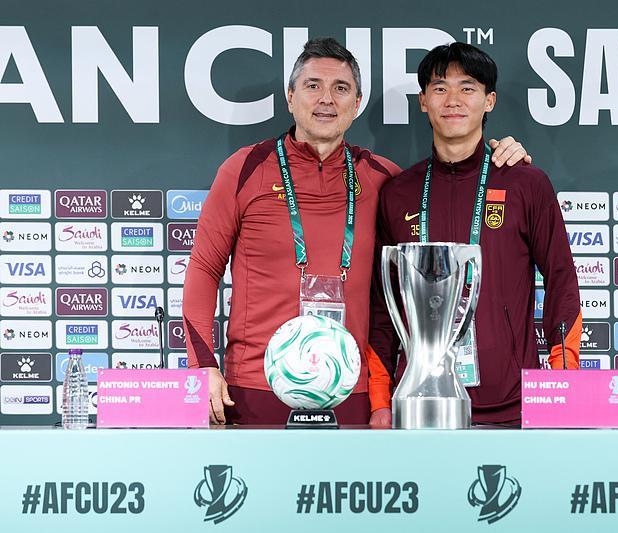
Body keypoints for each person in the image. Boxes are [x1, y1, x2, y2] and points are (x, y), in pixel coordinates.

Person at [183, 38, 530, 426]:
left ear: (357, 103)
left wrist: (502, 158)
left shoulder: (385, 179)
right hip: (256, 388)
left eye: (341, 88)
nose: (326, 99)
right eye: (313, 85)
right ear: (291, 96)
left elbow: (455, 188)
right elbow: (204, 269)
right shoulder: (244, 169)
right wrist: (203, 366)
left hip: (352, 393)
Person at [369, 42, 582, 426]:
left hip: (513, 405)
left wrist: (563, 379)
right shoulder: (397, 192)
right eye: (440, 88)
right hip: (421, 404)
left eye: (467, 88)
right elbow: (383, 306)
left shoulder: (525, 183)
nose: (453, 100)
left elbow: (561, 278)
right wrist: (380, 401)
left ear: (489, 101)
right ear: (423, 101)